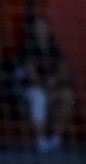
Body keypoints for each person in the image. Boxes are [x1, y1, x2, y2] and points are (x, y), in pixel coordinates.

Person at [16, 15, 75, 154]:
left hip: (54, 89)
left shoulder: (55, 49)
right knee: (39, 96)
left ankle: (56, 138)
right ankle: (40, 139)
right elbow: (32, 77)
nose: (41, 30)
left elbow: (63, 72)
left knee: (68, 95)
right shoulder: (28, 49)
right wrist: (48, 90)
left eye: (43, 26)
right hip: (30, 89)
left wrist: (55, 85)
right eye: (38, 27)